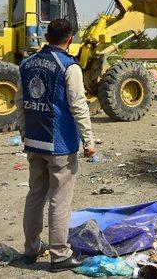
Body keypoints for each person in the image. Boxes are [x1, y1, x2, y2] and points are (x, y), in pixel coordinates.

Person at [16, 18, 96, 272]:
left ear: (46, 36)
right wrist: (89, 140)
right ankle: (60, 255)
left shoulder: (26, 64)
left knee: (35, 195)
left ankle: (31, 249)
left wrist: (24, 133)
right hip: (60, 145)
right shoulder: (68, 67)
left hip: (34, 142)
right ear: (70, 39)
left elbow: (20, 102)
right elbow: (78, 106)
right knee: (60, 201)